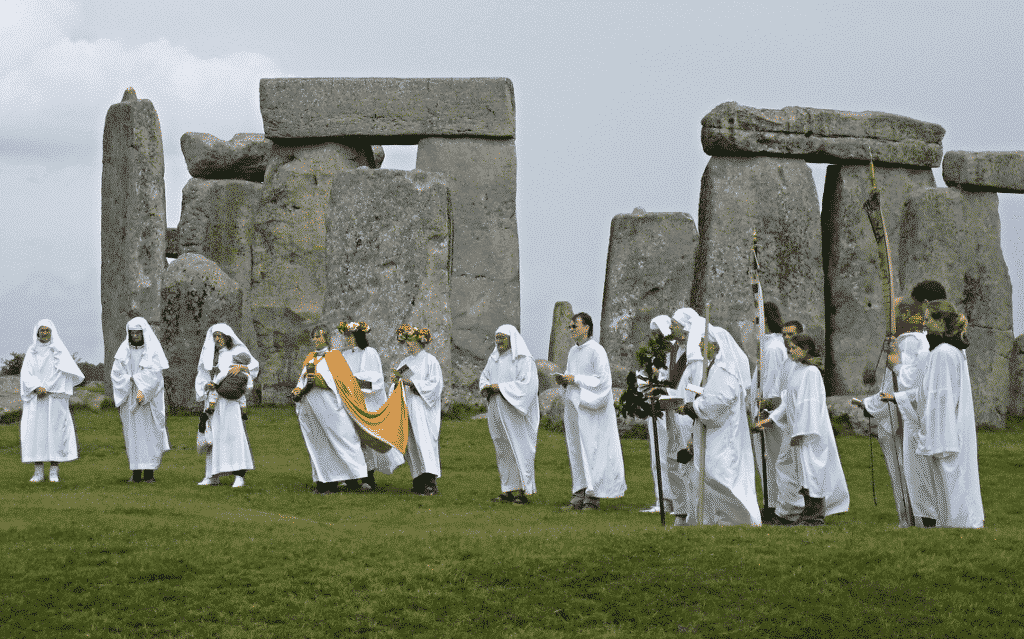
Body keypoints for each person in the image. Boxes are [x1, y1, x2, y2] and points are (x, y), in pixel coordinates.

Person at [884, 300, 983, 528]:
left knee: (951, 481)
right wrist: (898, 395)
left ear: (941, 321)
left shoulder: (943, 353)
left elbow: (939, 399)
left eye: (929, 319)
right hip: (948, 430)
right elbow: (926, 391)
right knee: (950, 481)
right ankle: (954, 525)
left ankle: (958, 525)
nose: (925, 324)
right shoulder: (949, 351)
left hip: (945, 434)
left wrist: (932, 435)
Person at [762, 335, 850, 525]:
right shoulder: (797, 370)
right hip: (797, 432)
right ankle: (797, 512)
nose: (790, 351)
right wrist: (772, 418)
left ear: (806, 350)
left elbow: (810, 404)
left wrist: (801, 432)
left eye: (794, 348)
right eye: (790, 348)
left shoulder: (811, 372)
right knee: (799, 472)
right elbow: (789, 402)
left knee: (812, 471)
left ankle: (814, 516)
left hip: (810, 433)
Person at [678, 325, 760, 526]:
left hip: (722, 434)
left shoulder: (724, 370)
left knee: (719, 474)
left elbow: (717, 402)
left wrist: (692, 406)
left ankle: (736, 519)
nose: (699, 344)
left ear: (715, 346)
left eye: (703, 341)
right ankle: (713, 519)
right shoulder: (714, 367)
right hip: (711, 432)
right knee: (708, 474)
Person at [860, 297, 930, 527]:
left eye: (896, 314)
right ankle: (912, 517)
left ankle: (914, 518)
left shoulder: (911, 341)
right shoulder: (914, 340)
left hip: (906, 415)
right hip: (905, 411)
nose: (893, 320)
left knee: (906, 467)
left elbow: (906, 379)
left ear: (907, 316)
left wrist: (873, 405)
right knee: (907, 468)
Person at [556, 312, 626, 510]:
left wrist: (576, 379)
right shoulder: (573, 352)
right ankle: (579, 493)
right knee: (577, 451)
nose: (571, 330)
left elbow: (603, 382)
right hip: (576, 410)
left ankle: (593, 497)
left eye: (574, 326)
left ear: (586, 328)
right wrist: (564, 381)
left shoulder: (597, 351)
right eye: (570, 326)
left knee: (592, 451)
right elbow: (571, 375)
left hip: (593, 411)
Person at [291, 325, 369, 495]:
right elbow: (302, 378)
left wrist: (321, 380)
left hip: (331, 407)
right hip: (312, 407)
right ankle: (324, 481)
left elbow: (343, 380)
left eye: (318, 336)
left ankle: (354, 478)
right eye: (313, 337)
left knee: (342, 439)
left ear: (326, 337)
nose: (315, 340)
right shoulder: (310, 357)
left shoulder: (335, 356)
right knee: (319, 444)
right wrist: (298, 389)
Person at [339, 321, 404, 491]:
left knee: (366, 440)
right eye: (346, 336)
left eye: (350, 336)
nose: (348, 339)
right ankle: (351, 478)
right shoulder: (345, 355)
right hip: (348, 403)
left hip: (365, 404)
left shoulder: (370, 353)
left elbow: (375, 379)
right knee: (350, 440)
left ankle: (368, 478)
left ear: (358, 336)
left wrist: (353, 382)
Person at [479, 324, 540, 504]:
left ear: (511, 339)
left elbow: (527, 386)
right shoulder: (494, 359)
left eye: (502, 338)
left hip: (516, 415)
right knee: (503, 450)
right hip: (498, 411)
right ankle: (507, 489)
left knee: (519, 449)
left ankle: (523, 491)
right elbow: (484, 377)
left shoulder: (524, 359)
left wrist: (501, 388)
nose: (498, 342)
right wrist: (487, 387)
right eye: (496, 338)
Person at [195, 323, 258, 488]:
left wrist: (242, 367)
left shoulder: (237, 352)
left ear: (227, 337)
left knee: (233, 435)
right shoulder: (210, 356)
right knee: (213, 437)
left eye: (220, 336)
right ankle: (212, 475)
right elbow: (202, 374)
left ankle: (239, 476)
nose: (218, 340)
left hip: (231, 402)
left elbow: (254, 367)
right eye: (215, 336)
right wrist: (205, 388)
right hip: (214, 401)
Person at [20, 319, 84, 483]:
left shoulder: (59, 351)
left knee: (56, 433)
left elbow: (63, 373)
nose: (44, 333)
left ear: (52, 332)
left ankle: (54, 471)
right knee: (36, 434)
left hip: (54, 398)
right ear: (37, 332)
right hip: (36, 399)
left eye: (47, 330)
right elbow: (26, 374)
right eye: (42, 330)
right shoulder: (32, 351)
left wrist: (47, 387)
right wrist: (36, 387)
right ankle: (38, 472)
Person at [110, 317, 170, 483]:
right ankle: (136, 474)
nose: (135, 335)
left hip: (148, 402)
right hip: (130, 397)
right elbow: (116, 373)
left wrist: (144, 390)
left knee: (150, 435)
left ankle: (149, 474)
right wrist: (129, 383)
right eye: (132, 333)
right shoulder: (124, 351)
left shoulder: (152, 351)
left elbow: (156, 375)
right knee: (133, 436)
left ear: (144, 333)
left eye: (138, 332)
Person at [749, 302, 791, 524]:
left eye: (757, 320)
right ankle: (771, 503)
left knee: (773, 459)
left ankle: (776, 506)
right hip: (764, 411)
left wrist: (763, 412)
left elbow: (773, 385)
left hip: (769, 414)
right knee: (766, 460)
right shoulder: (768, 346)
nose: (755, 324)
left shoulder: (774, 348)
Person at [394, 324, 444, 496]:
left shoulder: (430, 360)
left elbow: (436, 386)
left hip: (423, 409)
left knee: (425, 442)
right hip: (408, 407)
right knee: (411, 443)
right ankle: (417, 479)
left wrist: (413, 384)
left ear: (419, 342)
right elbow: (397, 383)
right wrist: (395, 382)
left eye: (411, 340)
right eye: (406, 341)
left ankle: (430, 482)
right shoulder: (404, 362)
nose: (408, 344)